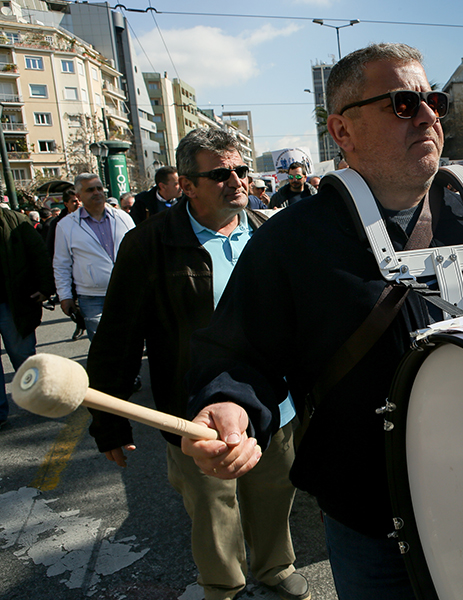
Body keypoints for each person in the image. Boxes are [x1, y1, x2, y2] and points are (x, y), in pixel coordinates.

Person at [181, 42, 463, 600]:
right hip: (373, 522)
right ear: (342, 132)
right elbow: (237, 355)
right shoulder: (292, 242)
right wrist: (228, 404)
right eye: (402, 104)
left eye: (432, 101)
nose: (427, 115)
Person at [85, 128, 307, 600]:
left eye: (242, 171)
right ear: (187, 185)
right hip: (192, 413)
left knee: (273, 495)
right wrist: (108, 421)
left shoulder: (272, 234)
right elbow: (119, 336)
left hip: (276, 407)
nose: (238, 181)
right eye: (221, 173)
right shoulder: (149, 244)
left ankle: (275, 567)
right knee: (212, 509)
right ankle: (223, 587)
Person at [53, 174, 135, 340]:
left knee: (130, 342)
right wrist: (65, 296)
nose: (97, 192)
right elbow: (61, 265)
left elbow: (139, 252)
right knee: (102, 345)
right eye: (90, 190)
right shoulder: (66, 226)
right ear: (78, 196)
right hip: (92, 297)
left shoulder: (122, 218)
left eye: (99, 188)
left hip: (126, 291)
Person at [0, 205, 55, 427]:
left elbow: (39, 254)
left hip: (13, 303)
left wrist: (45, 288)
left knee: (22, 356)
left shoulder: (16, 221)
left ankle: (37, 399)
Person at [46, 187, 78, 258]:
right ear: (66, 204)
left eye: (80, 200)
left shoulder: (90, 219)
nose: (78, 203)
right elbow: (51, 247)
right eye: (74, 201)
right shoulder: (58, 223)